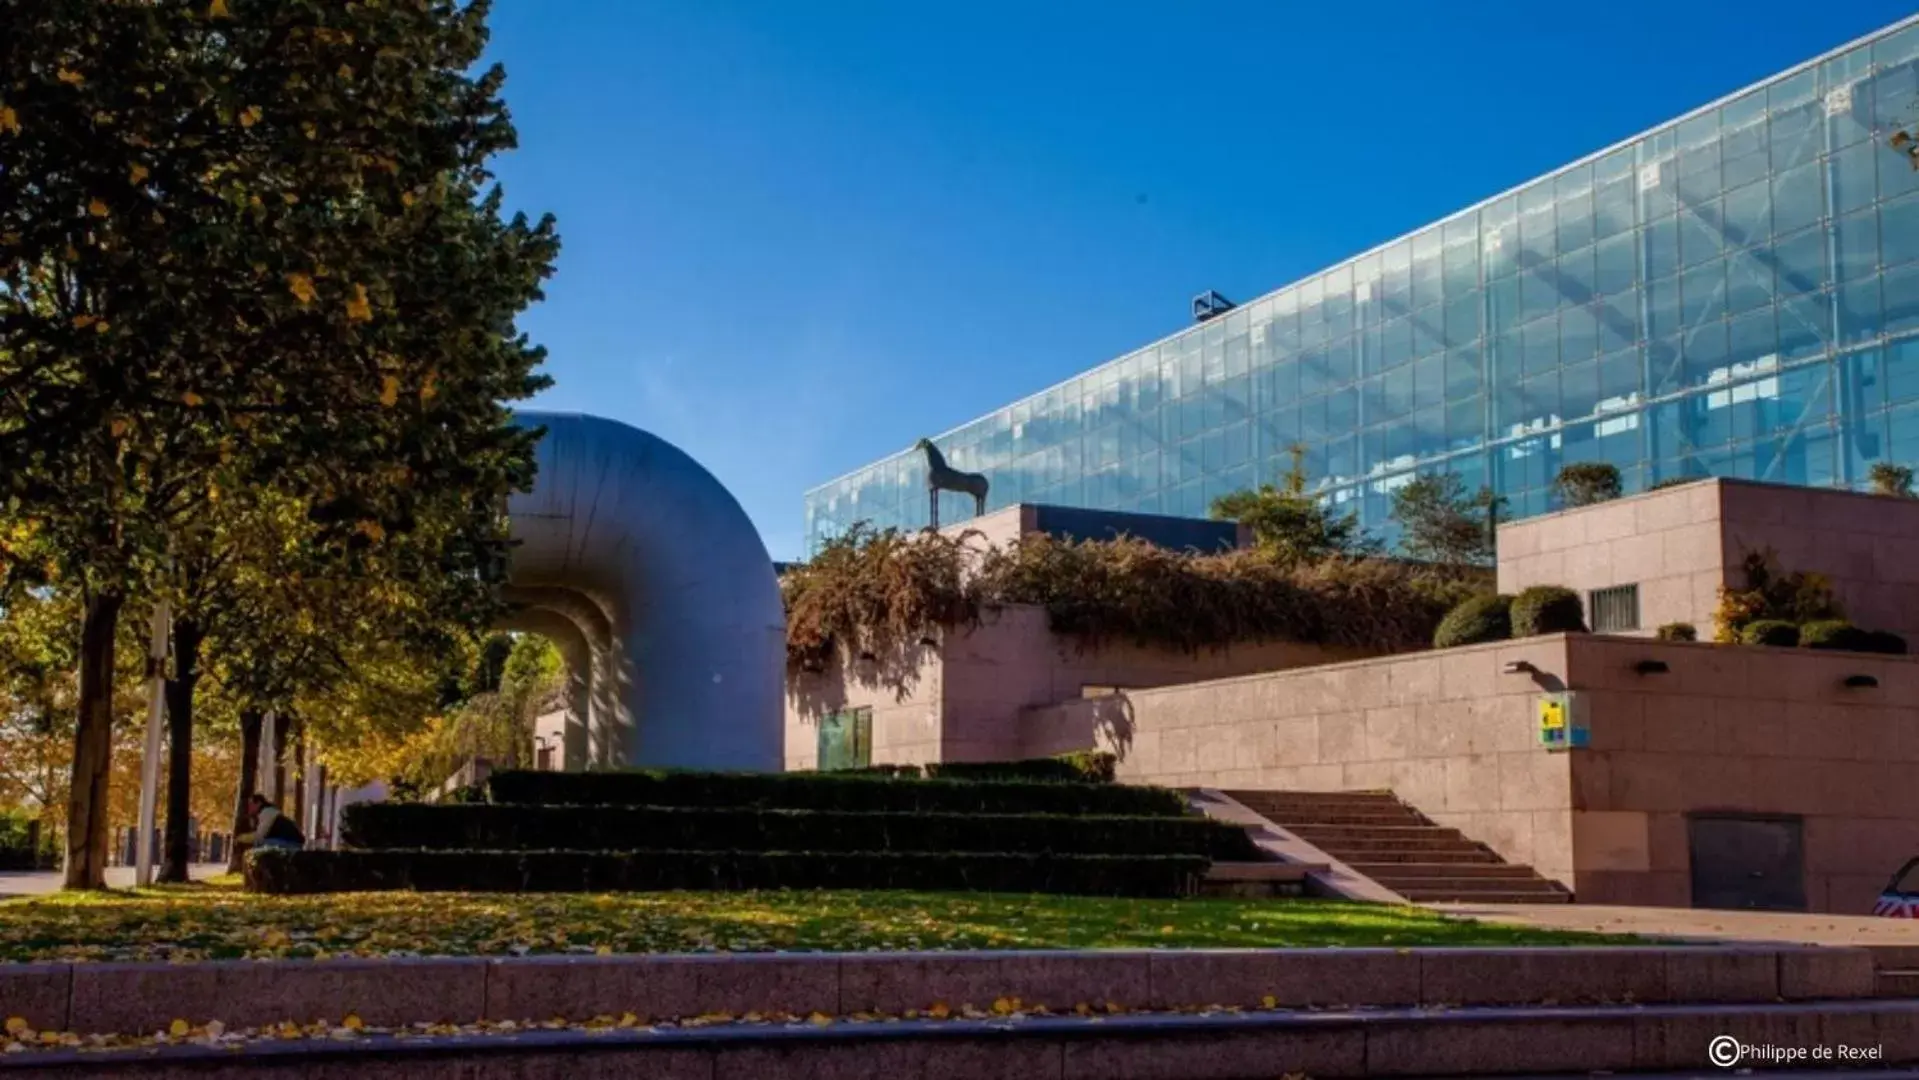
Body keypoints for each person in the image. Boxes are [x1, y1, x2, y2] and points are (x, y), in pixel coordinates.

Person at [238, 794, 306, 852]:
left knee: (260, 845)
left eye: (251, 804)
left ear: (259, 803)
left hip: (292, 843)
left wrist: (241, 838)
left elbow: (259, 836)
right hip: (291, 842)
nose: (249, 807)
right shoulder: (267, 813)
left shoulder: (267, 813)